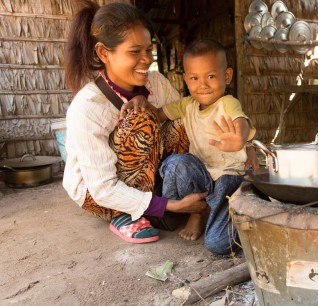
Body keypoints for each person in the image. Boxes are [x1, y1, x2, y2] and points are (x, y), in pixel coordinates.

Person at [62, 1, 210, 244]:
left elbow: (186, 129)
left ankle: (157, 202)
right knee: (140, 119)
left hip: (147, 174)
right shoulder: (88, 107)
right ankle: (126, 214)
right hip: (98, 193)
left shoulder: (156, 83)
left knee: (183, 118)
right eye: (135, 52)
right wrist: (174, 206)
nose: (147, 59)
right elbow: (103, 188)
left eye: (148, 50)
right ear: (104, 53)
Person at [155, 39, 256, 255]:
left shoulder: (227, 103)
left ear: (226, 76)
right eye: (194, 78)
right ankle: (197, 213)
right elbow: (158, 115)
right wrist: (139, 102)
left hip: (229, 178)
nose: (203, 84)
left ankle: (246, 212)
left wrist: (239, 139)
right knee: (175, 163)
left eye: (211, 76)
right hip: (200, 176)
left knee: (218, 245)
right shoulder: (186, 104)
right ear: (186, 80)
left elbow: (242, 122)